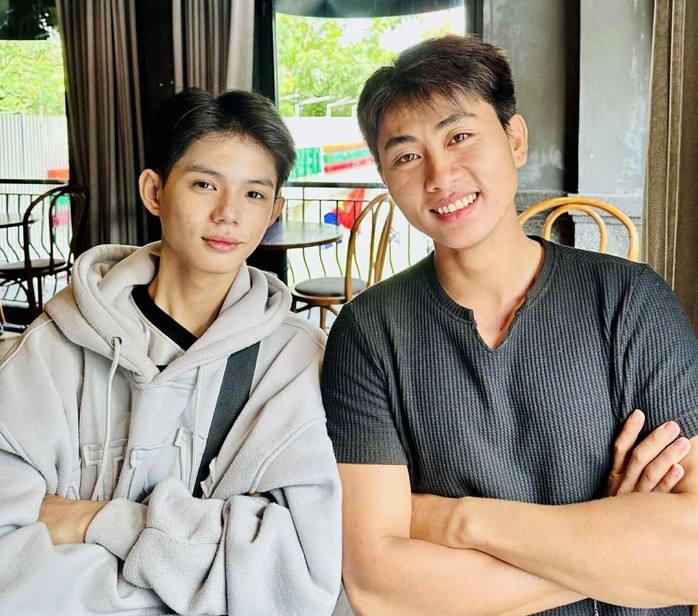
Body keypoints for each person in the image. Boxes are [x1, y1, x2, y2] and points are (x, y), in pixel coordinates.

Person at [322, 35, 698, 616]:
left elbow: (691, 556)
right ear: (386, 178)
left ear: (514, 139)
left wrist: (457, 520)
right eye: (406, 156)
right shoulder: (369, 333)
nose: (439, 176)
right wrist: (611, 546)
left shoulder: (630, 301)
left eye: (459, 136)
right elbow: (378, 587)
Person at [0, 88, 342, 615]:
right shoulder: (51, 350)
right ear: (155, 191)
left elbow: (296, 578)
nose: (228, 214)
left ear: (274, 210)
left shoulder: (298, 363)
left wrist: (96, 520)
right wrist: (214, 559)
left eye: (254, 194)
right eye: (205, 184)